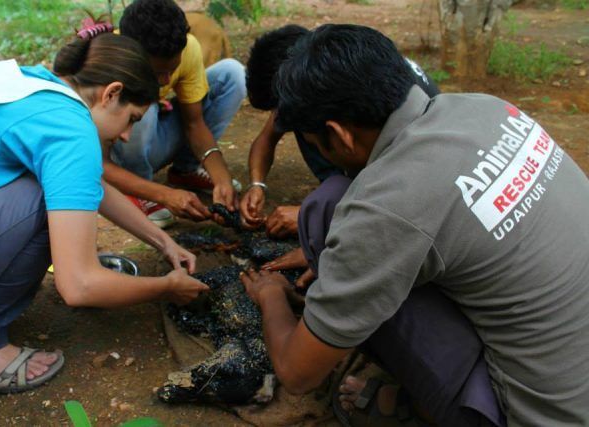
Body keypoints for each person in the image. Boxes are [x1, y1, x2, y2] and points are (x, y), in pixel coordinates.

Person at [241, 24, 589, 426]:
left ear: (338, 134)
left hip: (544, 416)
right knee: (335, 206)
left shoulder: (387, 205)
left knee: (327, 208)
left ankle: (433, 410)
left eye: (316, 144)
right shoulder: (485, 107)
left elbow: (296, 374)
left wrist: (270, 296)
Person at [0, 27, 209, 394]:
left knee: (48, 181)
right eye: (132, 119)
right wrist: (165, 288)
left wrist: (163, 242)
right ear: (112, 93)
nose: (125, 137)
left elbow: (87, 182)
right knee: (43, 195)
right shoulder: (71, 128)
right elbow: (79, 286)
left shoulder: (34, 83)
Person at [240, 25, 439, 238]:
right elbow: (266, 139)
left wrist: (316, 217)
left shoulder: (394, 132)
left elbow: (398, 210)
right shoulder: (339, 62)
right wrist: (257, 185)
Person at [105, 0, 246, 225]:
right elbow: (94, 161)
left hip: (152, 141)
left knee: (232, 74)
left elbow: (194, 123)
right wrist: (162, 195)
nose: (166, 80)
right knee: (142, 105)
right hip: (117, 155)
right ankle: (137, 188)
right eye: (159, 72)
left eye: (172, 70)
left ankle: (185, 170)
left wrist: (222, 179)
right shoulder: (109, 60)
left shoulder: (186, 47)